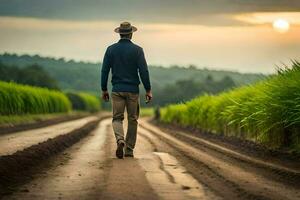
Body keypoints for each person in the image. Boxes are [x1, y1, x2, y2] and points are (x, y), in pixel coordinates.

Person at [101, 22, 152, 159]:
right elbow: (144, 71)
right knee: (132, 119)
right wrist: (148, 89)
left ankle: (120, 140)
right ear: (131, 34)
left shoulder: (110, 49)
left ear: (119, 33)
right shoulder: (138, 50)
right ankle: (129, 150)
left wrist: (104, 89)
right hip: (133, 91)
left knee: (117, 118)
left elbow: (105, 70)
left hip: (117, 90)